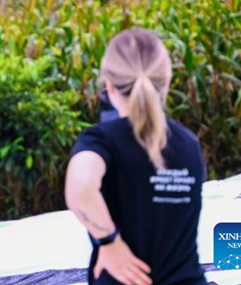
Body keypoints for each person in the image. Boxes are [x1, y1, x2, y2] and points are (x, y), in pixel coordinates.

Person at [65, 28, 207, 285]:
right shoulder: (189, 144)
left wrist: (110, 242)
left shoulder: (102, 140)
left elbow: (80, 187)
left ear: (109, 85)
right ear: (167, 79)